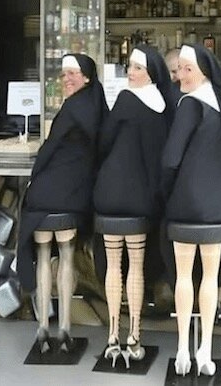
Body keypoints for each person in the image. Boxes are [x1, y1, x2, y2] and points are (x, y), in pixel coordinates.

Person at [16, 53, 108, 352]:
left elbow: (49, 149)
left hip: (48, 195)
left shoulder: (71, 109)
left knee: (43, 255)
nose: (66, 79)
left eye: (72, 73)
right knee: (66, 256)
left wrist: (33, 178)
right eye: (64, 73)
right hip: (75, 197)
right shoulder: (97, 107)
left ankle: (43, 327)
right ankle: (65, 329)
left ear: (86, 77)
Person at [161, 43, 221, 377]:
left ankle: (183, 348)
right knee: (210, 277)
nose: (180, 75)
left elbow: (170, 158)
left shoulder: (189, 105)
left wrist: (165, 190)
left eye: (187, 69)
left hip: (188, 204)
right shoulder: (220, 105)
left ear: (204, 72)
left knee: (184, 277)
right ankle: (205, 350)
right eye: (179, 68)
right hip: (219, 206)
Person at [93, 45, 173, 367]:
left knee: (114, 265)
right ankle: (135, 336)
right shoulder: (164, 106)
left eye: (137, 68)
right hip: (142, 200)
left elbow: (104, 141)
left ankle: (113, 335)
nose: (130, 72)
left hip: (111, 196)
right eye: (130, 66)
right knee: (136, 266)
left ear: (150, 72)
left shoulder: (126, 100)